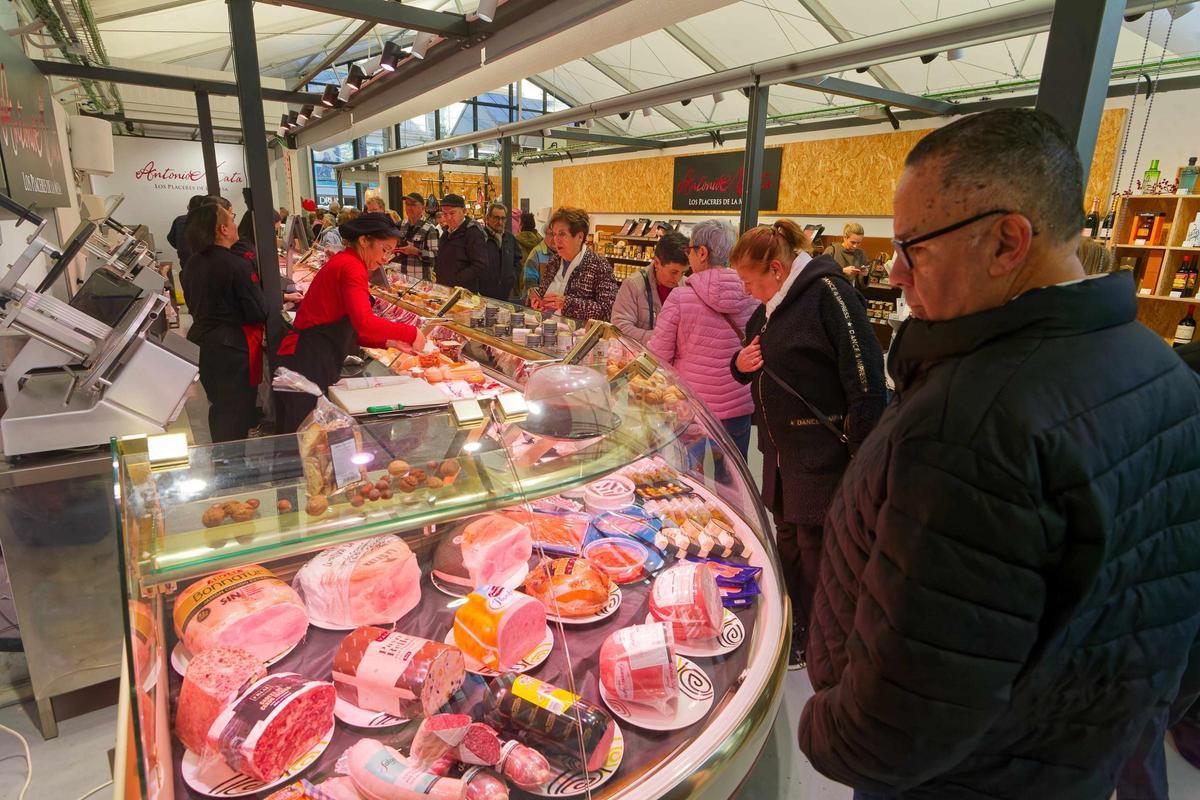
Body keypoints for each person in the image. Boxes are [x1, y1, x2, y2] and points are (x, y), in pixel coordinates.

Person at [798, 109, 1200, 800]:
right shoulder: (1162, 369)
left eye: (912, 247)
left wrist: (818, 726)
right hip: (1080, 764)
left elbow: (898, 725)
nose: (894, 272)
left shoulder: (973, 422)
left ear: (1008, 241)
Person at [730, 219, 886, 670]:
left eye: (749, 280)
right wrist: (739, 364)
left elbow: (867, 382)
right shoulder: (769, 308)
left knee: (820, 553)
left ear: (777, 269)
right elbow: (751, 362)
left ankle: (820, 645)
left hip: (824, 457)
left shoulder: (830, 295)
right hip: (781, 456)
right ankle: (793, 626)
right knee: (790, 541)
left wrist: (860, 459)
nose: (745, 290)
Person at [274, 213, 424, 433]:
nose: (385, 259)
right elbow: (363, 321)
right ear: (363, 241)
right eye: (384, 250)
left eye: (391, 253)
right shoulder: (351, 266)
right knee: (303, 440)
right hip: (308, 360)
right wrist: (411, 333)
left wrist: (390, 341)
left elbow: (350, 327)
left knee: (307, 438)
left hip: (309, 356)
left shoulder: (347, 261)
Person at [648, 220, 756, 471]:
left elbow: (658, 356)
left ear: (703, 252)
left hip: (693, 411)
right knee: (734, 484)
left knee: (693, 485)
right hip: (738, 408)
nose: (689, 255)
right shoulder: (751, 296)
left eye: (690, 250)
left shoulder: (681, 297)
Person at [180, 201, 268, 443]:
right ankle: (232, 465)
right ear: (222, 229)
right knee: (235, 412)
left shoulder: (193, 263)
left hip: (205, 343)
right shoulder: (236, 264)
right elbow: (257, 311)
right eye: (231, 219)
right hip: (232, 349)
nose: (235, 223)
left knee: (220, 406)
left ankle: (224, 458)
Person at [533, 207, 619, 322]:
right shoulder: (554, 261)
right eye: (554, 234)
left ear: (579, 236)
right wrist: (538, 302)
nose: (555, 240)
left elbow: (608, 310)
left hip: (581, 337)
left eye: (562, 234)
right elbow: (544, 294)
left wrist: (567, 304)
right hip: (549, 331)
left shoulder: (599, 265)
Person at [612, 230, 688, 345]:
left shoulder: (687, 286)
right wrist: (661, 338)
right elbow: (620, 327)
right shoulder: (633, 285)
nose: (678, 278)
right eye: (673, 272)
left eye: (683, 272)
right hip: (641, 358)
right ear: (657, 262)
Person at [435, 194, 495, 297]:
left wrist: (457, 280)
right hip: (445, 291)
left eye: (452, 213)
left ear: (464, 211)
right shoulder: (446, 233)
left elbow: (480, 264)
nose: (448, 218)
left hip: (464, 294)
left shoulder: (473, 233)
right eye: (445, 214)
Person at [393, 192, 440, 282]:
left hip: (421, 282)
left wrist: (417, 252)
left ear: (422, 208)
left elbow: (435, 258)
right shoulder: (399, 225)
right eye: (407, 204)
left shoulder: (430, 229)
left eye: (413, 205)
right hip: (401, 279)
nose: (409, 208)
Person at [481, 202, 523, 300]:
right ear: (487, 218)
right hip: (483, 294)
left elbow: (518, 260)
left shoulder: (510, 238)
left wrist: (511, 277)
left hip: (505, 293)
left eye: (503, 218)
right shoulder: (480, 237)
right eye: (496, 218)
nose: (500, 222)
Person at [168, 194, 207, 277]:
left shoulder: (179, 220)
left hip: (185, 263)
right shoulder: (205, 221)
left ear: (188, 207)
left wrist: (181, 248)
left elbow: (171, 239)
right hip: (203, 265)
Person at [822, 222, 869, 289]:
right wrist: (842, 271)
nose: (855, 246)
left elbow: (862, 284)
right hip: (832, 293)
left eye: (858, 243)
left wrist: (865, 275)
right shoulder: (832, 250)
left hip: (851, 293)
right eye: (852, 242)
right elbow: (821, 272)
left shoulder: (861, 254)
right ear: (845, 238)